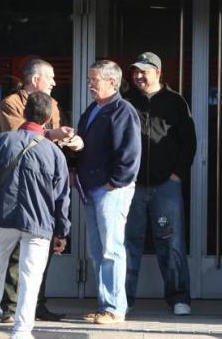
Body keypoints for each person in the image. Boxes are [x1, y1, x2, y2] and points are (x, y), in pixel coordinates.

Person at [0, 92, 71, 339]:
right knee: (31, 274)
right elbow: (62, 197)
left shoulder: (1, 141)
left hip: (4, 216)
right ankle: (22, 328)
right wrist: (62, 231)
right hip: (39, 221)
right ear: (48, 119)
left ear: (25, 113)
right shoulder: (54, 152)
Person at [0, 59, 83, 323]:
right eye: (51, 77)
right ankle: (10, 309)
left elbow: (55, 141)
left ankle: (37, 304)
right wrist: (53, 134)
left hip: (45, 183)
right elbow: (17, 136)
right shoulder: (11, 103)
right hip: (18, 183)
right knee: (14, 253)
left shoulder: (53, 104)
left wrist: (72, 141)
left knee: (41, 249)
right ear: (35, 80)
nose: (55, 83)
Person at [123, 52, 196, 316]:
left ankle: (179, 297)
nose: (138, 76)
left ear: (158, 72)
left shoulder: (175, 102)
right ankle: (123, 300)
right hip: (131, 186)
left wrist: (178, 174)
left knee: (171, 241)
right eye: (135, 71)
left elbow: (189, 142)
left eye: (144, 71)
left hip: (167, 185)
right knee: (129, 241)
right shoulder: (126, 101)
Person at [73, 60, 141, 324]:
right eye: (89, 79)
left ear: (112, 82)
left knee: (111, 249)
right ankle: (105, 306)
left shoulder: (122, 110)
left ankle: (114, 308)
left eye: (95, 80)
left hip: (110, 190)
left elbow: (130, 153)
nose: (90, 84)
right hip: (93, 188)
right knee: (97, 250)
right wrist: (77, 144)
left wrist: (115, 182)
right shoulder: (94, 108)